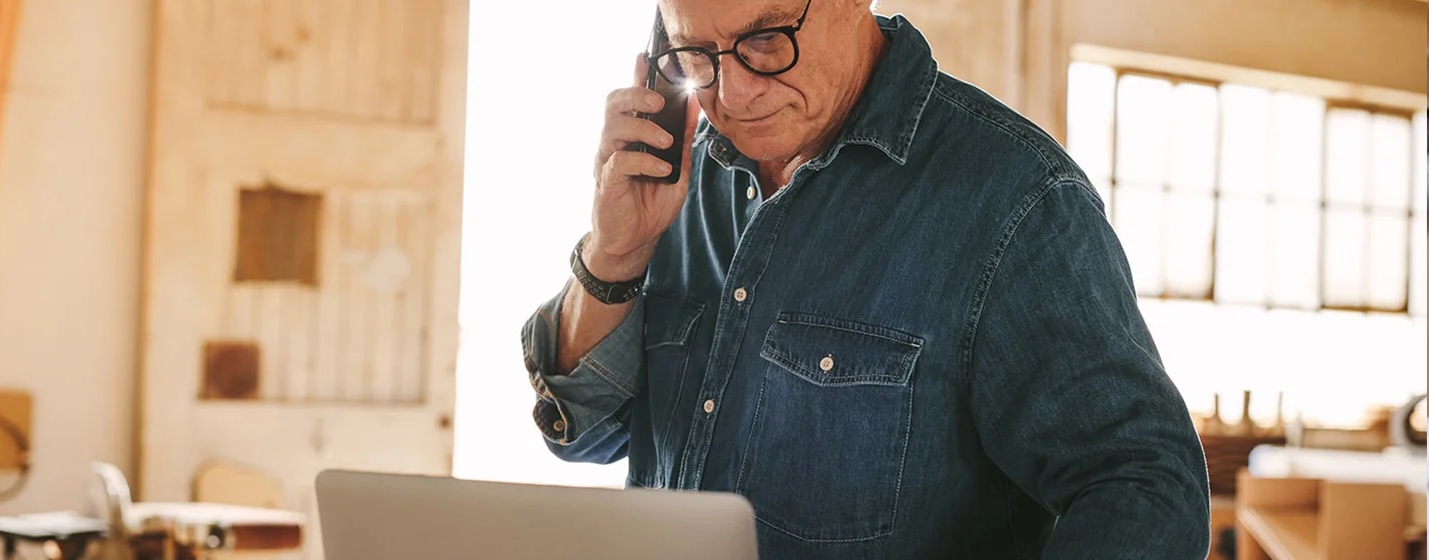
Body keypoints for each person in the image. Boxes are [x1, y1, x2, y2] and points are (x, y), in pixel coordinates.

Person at [518, 0, 1211, 557]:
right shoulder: (674, 178)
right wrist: (615, 256)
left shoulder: (1015, 200)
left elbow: (1145, 488)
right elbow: (584, 432)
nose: (733, 91)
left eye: (765, 40)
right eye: (694, 53)